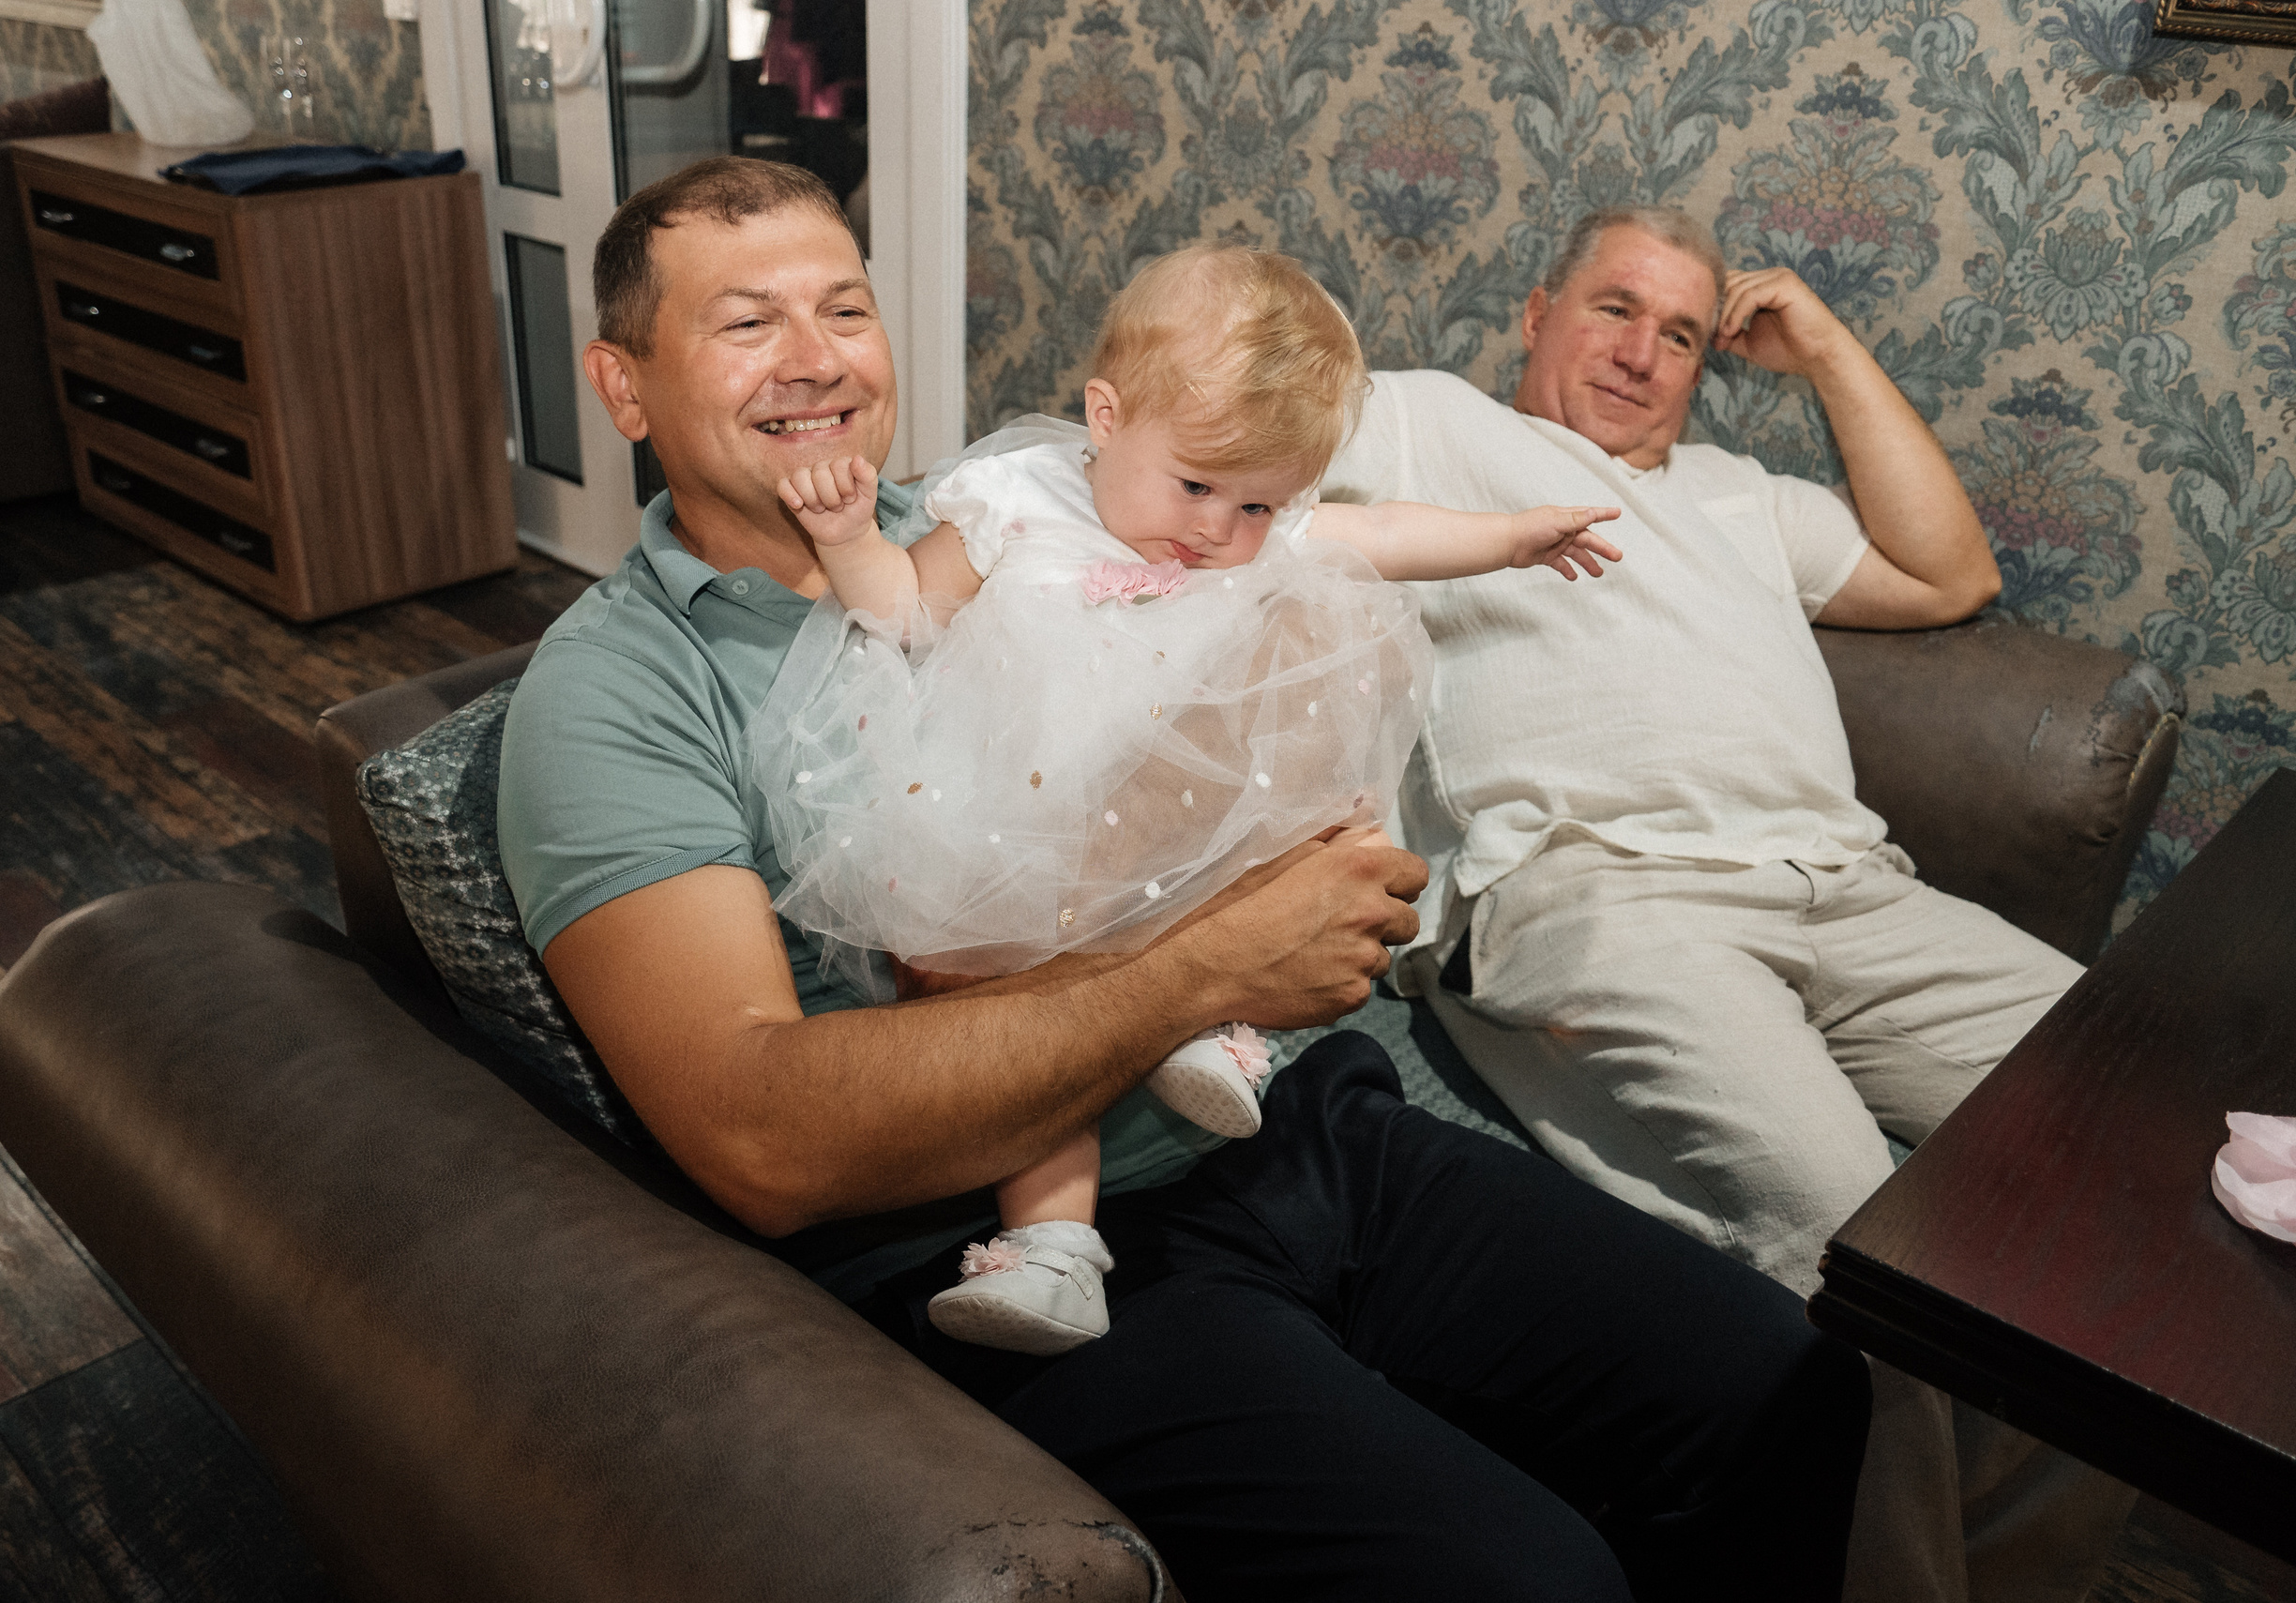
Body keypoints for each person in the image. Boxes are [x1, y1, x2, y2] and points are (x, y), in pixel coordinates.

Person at [496, 158, 1870, 1601]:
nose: (816, 358)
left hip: (1298, 1119)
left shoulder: (1024, 511)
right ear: (623, 385)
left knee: (1782, 1379)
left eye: (844, 308)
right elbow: (760, 1138)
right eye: (746, 322)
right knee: (1531, 1580)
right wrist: (1212, 965)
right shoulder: (617, 693)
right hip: (1009, 1233)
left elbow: (1275, 613)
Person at [1319, 204, 2137, 1603]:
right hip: (1595, 892)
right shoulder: (1419, 421)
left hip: (1850, 889)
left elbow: (1952, 574)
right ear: (1536, 312)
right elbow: (1198, 437)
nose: (1642, 353)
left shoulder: (1742, 495)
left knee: (2132, 1139)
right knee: (1862, 1242)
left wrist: (1824, 348)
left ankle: (2008, 1579)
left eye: (1684, 335)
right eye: (1613, 308)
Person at [756, 243, 1617, 1355]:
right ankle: (1055, 1250)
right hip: (1022, 825)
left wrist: (1507, 539)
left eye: (1258, 503)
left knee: (1296, 781)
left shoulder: (1255, 529)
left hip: (1176, 826)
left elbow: (1385, 534)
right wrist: (849, 541)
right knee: (1021, 1015)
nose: (1218, 531)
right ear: (1106, 415)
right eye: (1198, 486)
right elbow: (907, 609)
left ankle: (1219, 1027)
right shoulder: (1014, 500)